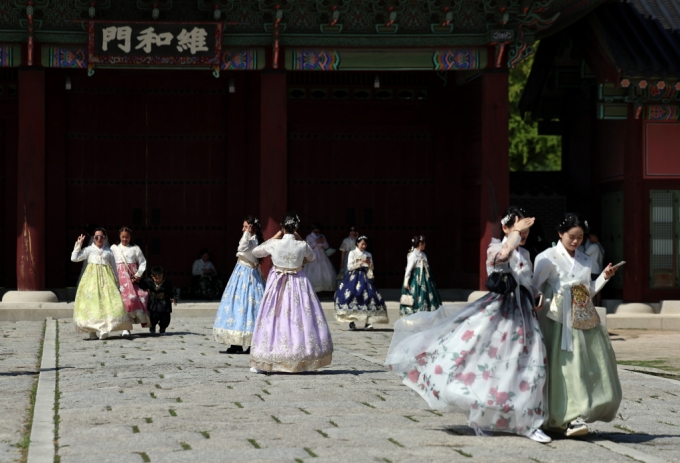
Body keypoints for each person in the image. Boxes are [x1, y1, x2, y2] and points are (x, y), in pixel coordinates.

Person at [386, 207, 552, 444]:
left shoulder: (525, 254)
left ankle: (529, 422)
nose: (524, 233)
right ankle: (482, 416)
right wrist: (515, 233)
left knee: (532, 365)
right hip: (500, 315)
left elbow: (528, 282)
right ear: (505, 227)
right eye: (518, 228)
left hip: (525, 316)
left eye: (527, 229)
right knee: (489, 363)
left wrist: (537, 295)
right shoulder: (495, 247)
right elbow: (502, 258)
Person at [533, 213, 621, 437]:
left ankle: (576, 414)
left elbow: (587, 291)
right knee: (560, 368)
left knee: (582, 368)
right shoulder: (547, 257)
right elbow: (535, 288)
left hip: (581, 319)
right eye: (571, 237)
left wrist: (604, 276)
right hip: (556, 320)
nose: (575, 242)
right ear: (560, 234)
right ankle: (561, 417)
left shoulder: (585, 259)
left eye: (580, 238)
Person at [249, 213, 333, 373]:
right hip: (298, 283)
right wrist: (298, 237)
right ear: (295, 228)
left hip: (277, 284)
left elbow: (256, 252)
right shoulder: (302, 245)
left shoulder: (274, 244)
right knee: (300, 317)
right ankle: (302, 359)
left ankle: (265, 359)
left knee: (273, 317)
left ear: (282, 227)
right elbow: (312, 257)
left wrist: (276, 235)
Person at [213, 216, 266, 354]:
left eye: (245, 226)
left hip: (248, 275)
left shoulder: (252, 239)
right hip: (241, 271)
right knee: (236, 305)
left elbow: (241, 247)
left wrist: (247, 233)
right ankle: (236, 343)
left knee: (248, 306)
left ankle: (250, 342)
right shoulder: (252, 238)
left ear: (251, 227)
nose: (243, 229)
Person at [71, 228, 132, 340]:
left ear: (105, 238)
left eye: (101, 237)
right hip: (90, 282)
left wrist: (117, 283)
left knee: (107, 304)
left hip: (106, 281)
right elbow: (74, 258)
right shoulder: (88, 250)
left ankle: (104, 329)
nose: (99, 239)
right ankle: (92, 331)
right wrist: (78, 244)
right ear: (93, 238)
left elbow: (114, 268)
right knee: (92, 305)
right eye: (96, 237)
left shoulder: (108, 252)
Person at [334, 235, 388, 331]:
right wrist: (360, 262)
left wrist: (368, 263)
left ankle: (367, 322)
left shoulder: (368, 254)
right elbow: (349, 267)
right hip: (354, 277)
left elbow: (372, 267)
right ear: (357, 243)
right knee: (351, 296)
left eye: (365, 244)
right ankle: (351, 322)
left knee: (370, 296)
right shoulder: (352, 253)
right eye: (362, 244)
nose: (363, 246)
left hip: (365, 277)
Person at [110, 226, 149, 338]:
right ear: (119, 236)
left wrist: (138, 275)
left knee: (132, 302)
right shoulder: (114, 248)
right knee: (121, 303)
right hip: (119, 279)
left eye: (127, 237)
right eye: (123, 237)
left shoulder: (135, 248)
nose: (125, 239)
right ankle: (124, 327)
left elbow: (142, 262)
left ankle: (128, 327)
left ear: (130, 237)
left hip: (132, 280)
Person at [399, 235, 443, 316]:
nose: (425, 244)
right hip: (416, 280)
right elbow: (408, 269)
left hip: (426, 279)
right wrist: (406, 282)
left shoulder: (423, 254)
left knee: (427, 297)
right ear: (420, 244)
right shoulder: (413, 255)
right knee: (417, 297)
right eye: (424, 243)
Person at [138, 266, 177, 335]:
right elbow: (141, 284)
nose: (158, 280)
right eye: (156, 278)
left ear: (163, 276)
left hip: (164, 301)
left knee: (165, 317)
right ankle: (152, 327)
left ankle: (162, 329)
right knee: (153, 316)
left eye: (160, 278)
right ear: (152, 276)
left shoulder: (167, 283)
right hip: (153, 301)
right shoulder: (149, 281)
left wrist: (174, 298)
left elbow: (173, 291)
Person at [304, 223, 337, 292]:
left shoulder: (322, 236)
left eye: (318, 232)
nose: (317, 233)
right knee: (314, 271)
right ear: (313, 230)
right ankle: (313, 289)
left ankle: (325, 288)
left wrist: (323, 241)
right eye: (316, 232)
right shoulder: (309, 237)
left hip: (322, 255)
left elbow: (326, 246)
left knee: (325, 271)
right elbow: (307, 247)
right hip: (313, 255)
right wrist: (316, 242)